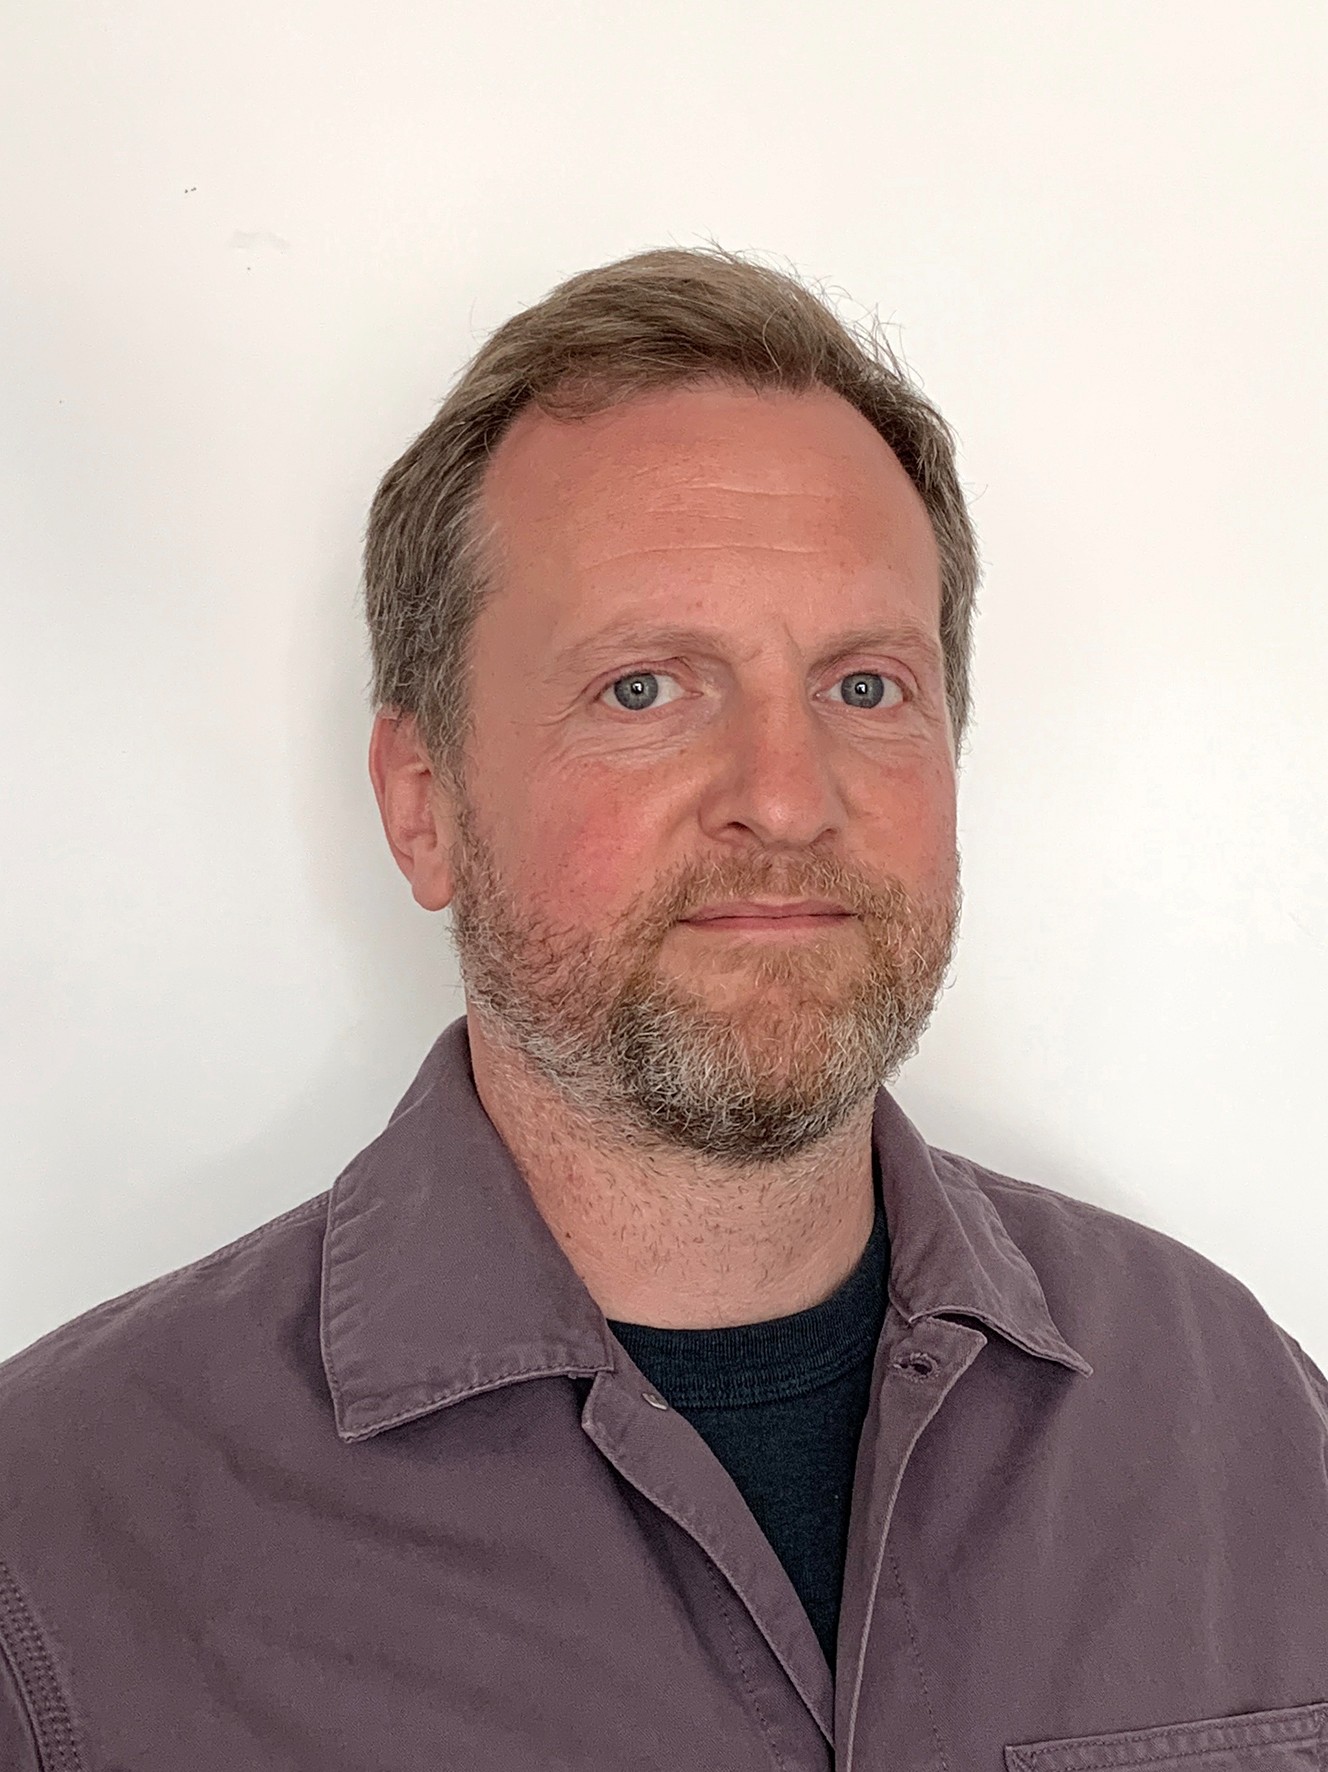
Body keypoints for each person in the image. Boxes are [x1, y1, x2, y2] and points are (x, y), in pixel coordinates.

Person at [1, 247, 1325, 1772]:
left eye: (865, 687)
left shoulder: (1242, 1419)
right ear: (424, 806)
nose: (787, 796)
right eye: (645, 687)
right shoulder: (63, 1543)